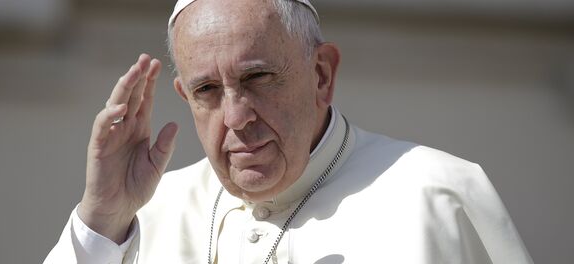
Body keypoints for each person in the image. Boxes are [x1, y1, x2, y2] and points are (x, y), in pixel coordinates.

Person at [44, 0, 533, 263]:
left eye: (257, 78)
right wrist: (101, 221)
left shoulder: (437, 195)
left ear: (321, 74)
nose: (236, 116)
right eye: (208, 90)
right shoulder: (141, 217)